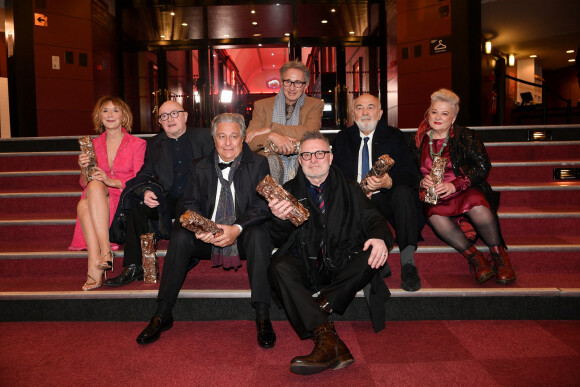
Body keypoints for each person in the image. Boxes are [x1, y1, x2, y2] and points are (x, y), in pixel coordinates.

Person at [136, 113, 275, 349]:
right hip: (208, 234)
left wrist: (236, 228)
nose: (228, 143)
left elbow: (262, 206)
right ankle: (163, 312)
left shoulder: (259, 163)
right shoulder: (200, 164)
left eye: (233, 136)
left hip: (241, 234)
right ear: (214, 139)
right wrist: (202, 227)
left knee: (259, 235)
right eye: (222, 136)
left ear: (242, 139)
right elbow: (188, 204)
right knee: (179, 236)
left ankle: (262, 314)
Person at [268, 131, 393, 375]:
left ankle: (318, 306)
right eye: (307, 155)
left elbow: (374, 219)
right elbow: (276, 238)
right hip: (306, 263)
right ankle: (328, 338)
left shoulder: (350, 188)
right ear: (300, 160)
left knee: (373, 253)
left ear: (330, 157)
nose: (314, 159)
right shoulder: (288, 191)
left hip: (342, 263)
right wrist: (280, 220)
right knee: (278, 266)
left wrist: (379, 238)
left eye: (319, 153)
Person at [411, 88, 516, 284]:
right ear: (428, 113)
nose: (438, 117)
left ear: (454, 117)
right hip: (435, 195)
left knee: (479, 208)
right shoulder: (418, 139)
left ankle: (499, 255)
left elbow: (483, 166)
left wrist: (456, 185)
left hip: (464, 188)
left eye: (444, 113)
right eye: (434, 112)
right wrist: (420, 180)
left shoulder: (466, 136)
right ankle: (476, 258)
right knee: (435, 217)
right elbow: (408, 169)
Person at [105, 101, 214, 287]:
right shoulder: (155, 143)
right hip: (167, 198)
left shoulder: (205, 136)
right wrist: (145, 191)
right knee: (139, 204)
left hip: (197, 198)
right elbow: (145, 173)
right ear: (160, 122)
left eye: (174, 114)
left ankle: (186, 257)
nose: (169, 119)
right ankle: (134, 266)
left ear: (185, 116)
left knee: (186, 211)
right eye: (164, 116)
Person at [332, 93, 423, 292]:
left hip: (386, 198)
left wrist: (389, 182)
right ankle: (375, 260)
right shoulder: (342, 139)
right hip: (355, 200)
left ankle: (408, 262)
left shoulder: (395, 136)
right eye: (359, 108)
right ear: (352, 113)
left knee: (404, 193)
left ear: (380, 113)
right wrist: (355, 190)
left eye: (370, 107)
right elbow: (334, 176)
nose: (365, 113)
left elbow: (411, 174)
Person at [73, 96, 146, 291]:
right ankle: (104, 252)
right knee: (93, 187)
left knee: (84, 203)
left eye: (115, 110)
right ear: (99, 116)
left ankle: (94, 265)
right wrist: (83, 168)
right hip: (99, 199)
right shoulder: (93, 144)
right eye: (105, 110)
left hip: (123, 197)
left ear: (124, 116)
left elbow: (140, 179)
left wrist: (110, 180)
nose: (110, 114)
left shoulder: (137, 144)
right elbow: (84, 183)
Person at [245, 60, 324, 183]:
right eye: (288, 82)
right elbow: (250, 141)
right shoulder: (262, 105)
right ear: (281, 83)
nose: (292, 88)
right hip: (268, 170)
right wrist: (272, 137)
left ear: (306, 85)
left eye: (298, 83)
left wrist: (272, 128)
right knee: (270, 162)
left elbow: (310, 132)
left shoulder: (315, 105)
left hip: (302, 167)